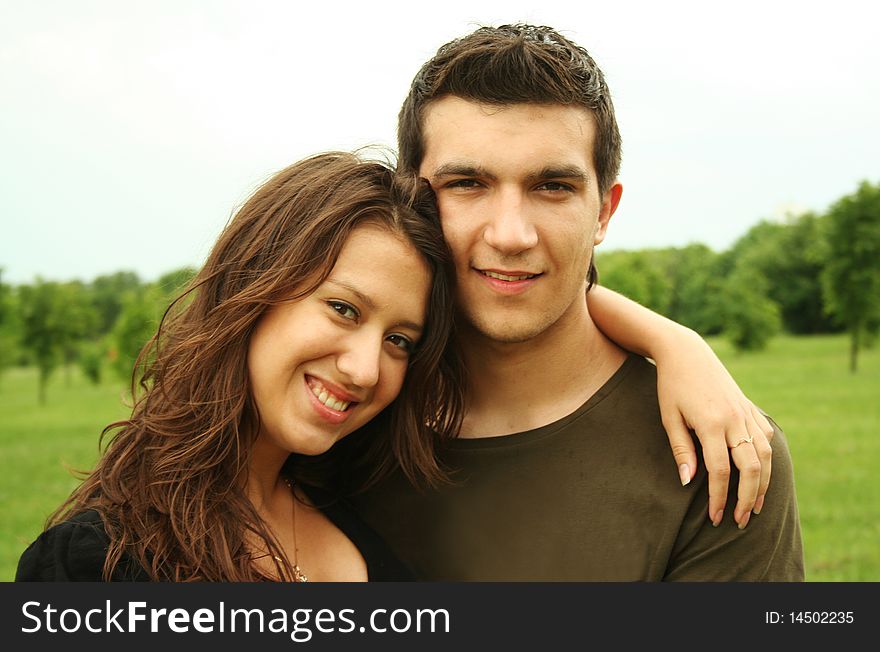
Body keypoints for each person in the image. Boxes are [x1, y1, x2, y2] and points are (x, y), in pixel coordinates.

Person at [346, 24, 804, 580]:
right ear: (411, 197)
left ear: (604, 213)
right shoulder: (345, 410)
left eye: (553, 187)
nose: (511, 235)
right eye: (467, 183)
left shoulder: (722, 451)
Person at [16, 151, 466, 581]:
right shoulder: (97, 565)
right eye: (344, 309)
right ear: (251, 291)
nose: (366, 370)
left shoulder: (375, 515)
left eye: (399, 340)